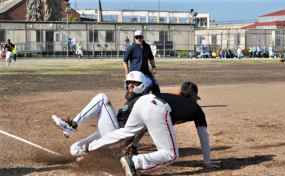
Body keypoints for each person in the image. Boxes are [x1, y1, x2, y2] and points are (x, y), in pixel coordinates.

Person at [76, 82, 219, 175]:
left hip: (143, 101)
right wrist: (207, 163)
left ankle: (91, 146)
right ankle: (134, 162)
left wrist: (134, 141)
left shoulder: (171, 96)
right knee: (172, 154)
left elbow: (145, 122)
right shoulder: (195, 107)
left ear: (181, 92)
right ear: (195, 96)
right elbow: (204, 137)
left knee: (125, 131)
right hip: (157, 107)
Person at [51, 71, 146, 154]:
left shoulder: (140, 101)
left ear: (142, 84)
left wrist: (133, 145)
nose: (130, 84)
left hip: (117, 135)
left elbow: (143, 126)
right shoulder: (131, 100)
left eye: (134, 82)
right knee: (74, 149)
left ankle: (71, 126)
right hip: (111, 133)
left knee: (101, 98)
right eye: (129, 82)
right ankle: (104, 154)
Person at [123, 30, 160, 94]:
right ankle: (139, 98)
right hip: (136, 73)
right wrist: (127, 73)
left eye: (140, 37)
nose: (138, 39)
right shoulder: (131, 48)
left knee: (155, 85)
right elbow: (125, 61)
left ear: (143, 37)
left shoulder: (147, 47)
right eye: (136, 37)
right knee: (149, 83)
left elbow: (151, 58)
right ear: (134, 38)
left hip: (146, 73)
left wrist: (153, 67)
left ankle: (156, 100)